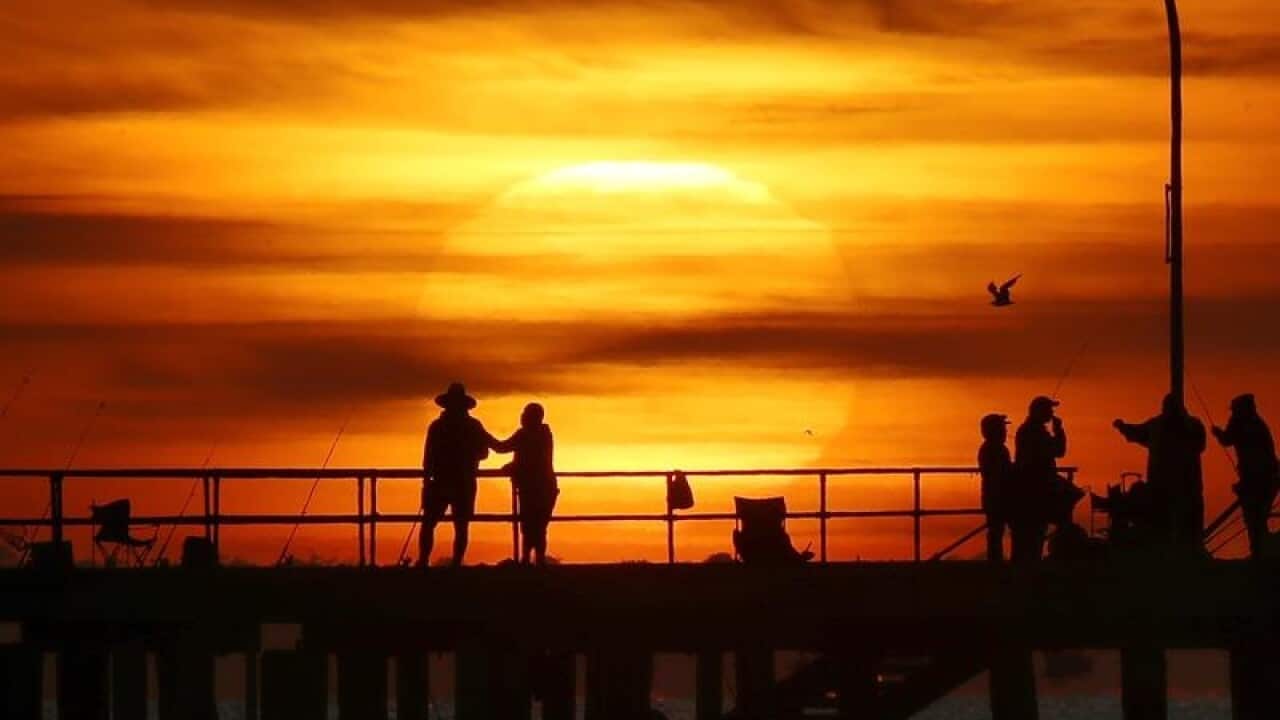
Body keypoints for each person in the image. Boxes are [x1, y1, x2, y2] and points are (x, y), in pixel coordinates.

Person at [1114, 393, 1206, 552]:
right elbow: (1137, 432)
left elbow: (1137, 432)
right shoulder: (1189, 425)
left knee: (1176, 524)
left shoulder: (1162, 426)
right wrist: (1123, 427)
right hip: (1179, 487)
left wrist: (1122, 427)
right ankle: (1186, 551)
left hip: (1174, 487)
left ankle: (1184, 552)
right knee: (1178, 525)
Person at [420, 382, 496, 568]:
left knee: (429, 522)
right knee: (461, 525)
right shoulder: (473, 426)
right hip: (464, 482)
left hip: (440, 481)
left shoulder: (437, 426)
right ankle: (456, 563)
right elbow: (485, 452)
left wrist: (427, 481)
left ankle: (423, 561)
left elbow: (428, 457)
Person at [1212, 394, 1278, 558]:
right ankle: (1261, 552)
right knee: (1258, 518)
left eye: (1234, 410)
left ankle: (1259, 554)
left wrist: (1217, 433)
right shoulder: (1258, 424)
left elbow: (1227, 440)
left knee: (1254, 518)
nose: (1232, 414)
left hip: (1258, 479)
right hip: (1269, 477)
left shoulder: (1242, 424)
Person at [493, 403, 558, 565]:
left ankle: (529, 560)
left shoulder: (526, 435)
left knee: (531, 526)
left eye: (525, 414)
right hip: (545, 487)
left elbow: (503, 448)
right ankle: (535, 561)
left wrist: (484, 437)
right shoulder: (544, 434)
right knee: (537, 526)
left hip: (534, 488)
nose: (522, 417)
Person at [1012, 396, 1067, 563]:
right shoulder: (1034, 432)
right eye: (1048, 409)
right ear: (1038, 411)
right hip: (1034, 490)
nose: (1051, 413)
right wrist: (1059, 430)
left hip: (1030, 489)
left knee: (1030, 534)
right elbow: (1059, 450)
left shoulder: (1030, 430)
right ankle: (1029, 567)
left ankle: (1026, 565)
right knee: (1033, 532)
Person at [978, 413, 1014, 562]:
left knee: (996, 532)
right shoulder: (995, 449)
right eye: (1002, 428)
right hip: (998, 497)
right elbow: (1002, 473)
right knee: (997, 532)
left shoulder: (990, 448)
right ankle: (997, 563)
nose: (1005, 431)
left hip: (994, 497)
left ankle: (996, 562)